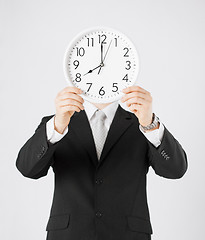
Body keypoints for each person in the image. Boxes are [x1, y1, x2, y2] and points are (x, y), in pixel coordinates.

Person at [16, 85, 188, 240]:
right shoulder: (58, 123)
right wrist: (57, 125)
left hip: (127, 235)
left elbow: (176, 169)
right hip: (69, 234)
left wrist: (150, 124)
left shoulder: (142, 123)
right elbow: (28, 169)